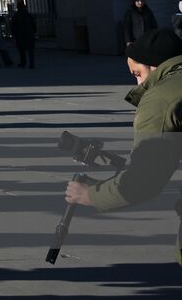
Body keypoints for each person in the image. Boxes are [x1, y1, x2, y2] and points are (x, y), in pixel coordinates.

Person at [65, 27, 182, 265]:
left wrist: (90, 195)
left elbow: (143, 181)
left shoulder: (162, 98)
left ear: (154, 66)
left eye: (137, 73)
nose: (138, 83)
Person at [8, 0, 37, 69]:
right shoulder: (29, 15)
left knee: (21, 50)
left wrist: (13, 35)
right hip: (29, 34)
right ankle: (31, 64)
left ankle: (23, 63)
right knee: (31, 51)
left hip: (20, 35)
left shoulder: (16, 16)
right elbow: (34, 24)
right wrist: (34, 31)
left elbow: (13, 26)